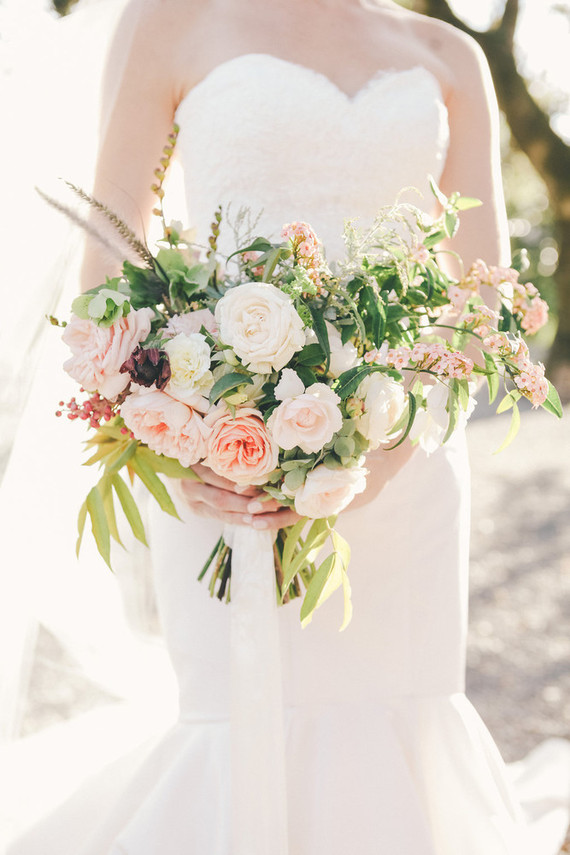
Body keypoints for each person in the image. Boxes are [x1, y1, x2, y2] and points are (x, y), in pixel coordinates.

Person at [4, 0, 570, 853]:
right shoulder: (170, 23)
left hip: (405, 467)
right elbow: (109, 260)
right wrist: (179, 434)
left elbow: (482, 298)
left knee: (398, 714)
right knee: (237, 716)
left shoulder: (450, 54)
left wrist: (389, 446)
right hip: (217, 459)